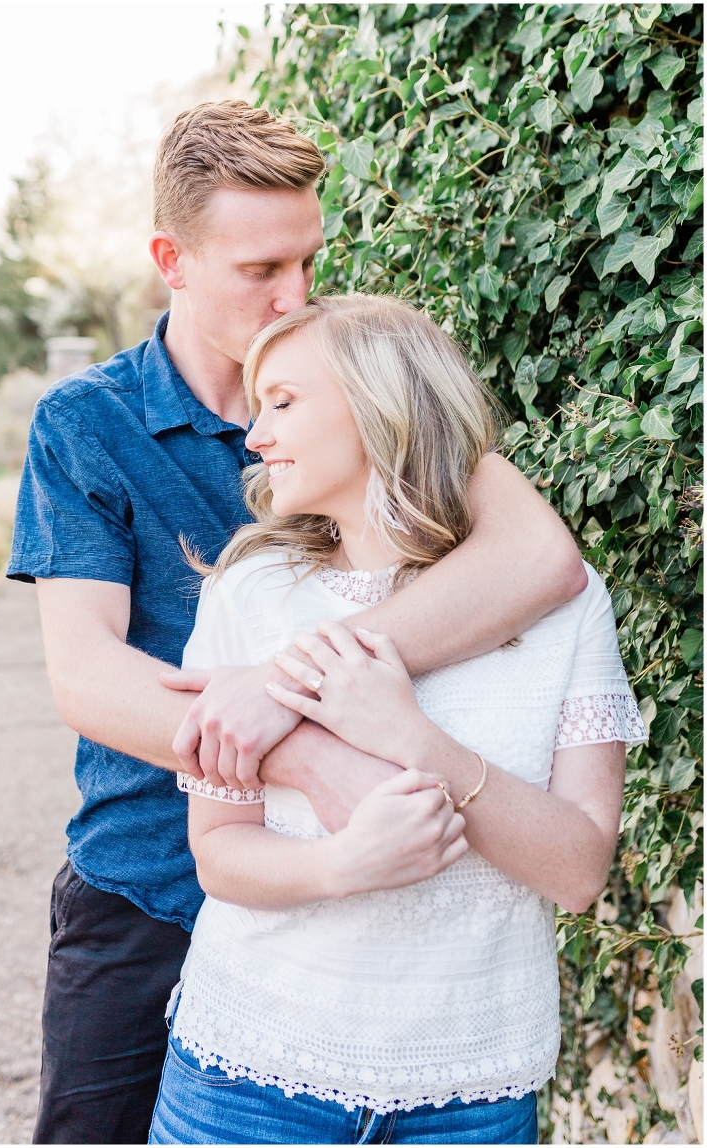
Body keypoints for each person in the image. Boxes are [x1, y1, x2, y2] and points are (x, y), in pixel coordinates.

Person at [9, 102, 586, 1144]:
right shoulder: (87, 423)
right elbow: (87, 677)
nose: (298, 292)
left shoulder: (367, 381)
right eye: (261, 270)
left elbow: (541, 558)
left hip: (364, 948)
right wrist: (312, 751)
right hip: (146, 885)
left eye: (309, 258)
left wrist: (285, 687)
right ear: (169, 260)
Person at [148, 295, 647, 1146]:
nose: (256, 436)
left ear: (381, 401)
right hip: (247, 1081)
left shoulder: (566, 607)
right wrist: (341, 865)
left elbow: (577, 871)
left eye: (285, 401)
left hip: (471, 1095)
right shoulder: (253, 594)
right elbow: (218, 849)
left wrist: (415, 741)